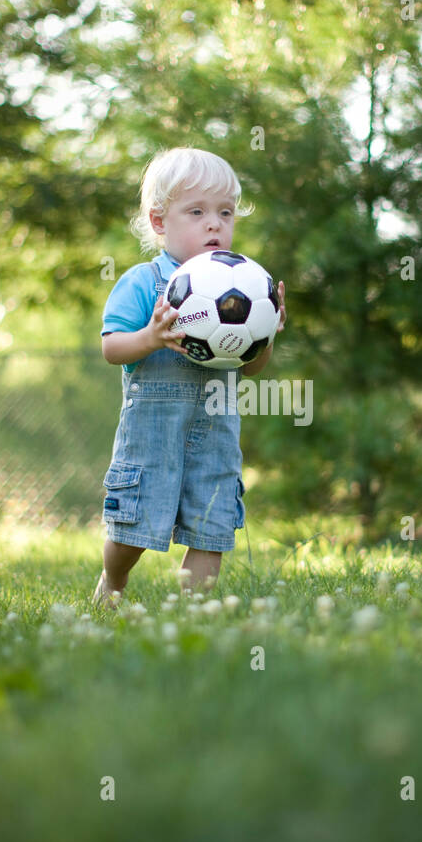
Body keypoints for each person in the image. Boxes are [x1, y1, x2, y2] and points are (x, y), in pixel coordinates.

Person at [93, 146, 286, 609]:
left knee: (211, 529)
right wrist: (151, 337)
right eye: (196, 212)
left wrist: (266, 337)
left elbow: (252, 368)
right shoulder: (144, 283)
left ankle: (192, 611)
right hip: (152, 436)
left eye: (225, 212)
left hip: (215, 437)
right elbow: (111, 347)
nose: (214, 224)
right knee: (133, 530)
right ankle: (112, 581)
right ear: (160, 223)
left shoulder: (245, 287)